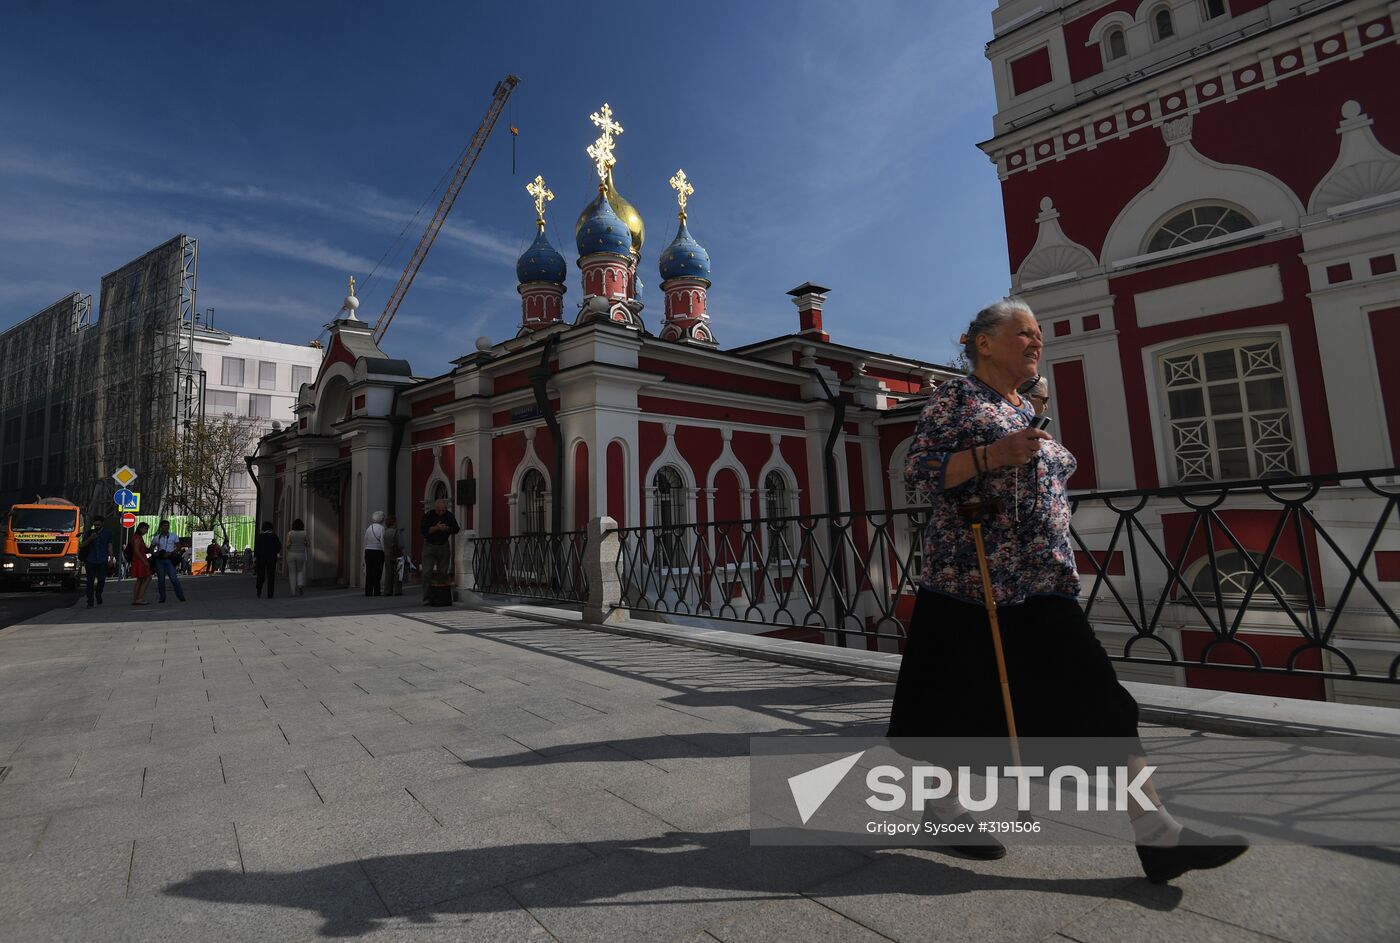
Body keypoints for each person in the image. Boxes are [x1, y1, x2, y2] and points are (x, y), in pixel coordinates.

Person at [888, 298, 1248, 884]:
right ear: (984, 342)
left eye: (1039, 336)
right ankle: (944, 808)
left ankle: (1157, 835)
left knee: (1096, 698)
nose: (1037, 342)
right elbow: (921, 471)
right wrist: (991, 454)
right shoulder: (960, 398)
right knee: (955, 705)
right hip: (971, 580)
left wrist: (1027, 424)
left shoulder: (1019, 406)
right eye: (1024, 334)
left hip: (1042, 581)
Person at [419, 497, 460, 604]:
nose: (441, 512)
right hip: (429, 545)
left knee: (443, 572)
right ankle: (426, 597)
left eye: (443, 510)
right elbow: (424, 530)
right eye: (439, 510)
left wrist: (446, 528)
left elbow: (456, 529)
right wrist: (436, 528)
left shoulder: (449, 516)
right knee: (427, 572)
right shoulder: (429, 515)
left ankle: (441, 596)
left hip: (443, 545)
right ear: (435, 508)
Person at [78, 515, 115, 608]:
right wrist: (90, 538)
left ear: (102, 524)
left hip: (102, 560)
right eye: (95, 525)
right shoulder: (89, 533)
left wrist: (111, 558)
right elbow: (81, 546)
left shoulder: (108, 533)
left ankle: (98, 594)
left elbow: (110, 545)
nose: (97, 526)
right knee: (90, 581)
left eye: (99, 524)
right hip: (90, 560)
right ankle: (90, 601)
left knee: (101, 579)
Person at [150, 520, 187, 603]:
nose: (166, 527)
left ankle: (181, 596)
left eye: (167, 526)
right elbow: (151, 549)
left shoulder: (173, 536)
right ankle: (162, 598)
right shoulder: (156, 538)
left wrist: (171, 553)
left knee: (174, 579)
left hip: (169, 559)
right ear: (161, 527)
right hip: (160, 560)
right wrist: (156, 554)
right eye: (164, 526)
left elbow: (178, 547)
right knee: (161, 580)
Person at [253, 522, 281, 598]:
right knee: (271, 576)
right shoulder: (274, 536)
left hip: (261, 558)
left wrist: (255, 557)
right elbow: (278, 547)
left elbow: (257, 548)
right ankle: (270, 593)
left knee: (261, 574)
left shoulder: (260, 537)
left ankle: (259, 589)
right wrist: (276, 553)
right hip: (271, 558)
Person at [128, 521, 152, 605]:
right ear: (140, 528)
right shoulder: (137, 538)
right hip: (140, 561)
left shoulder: (136, 537)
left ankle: (136, 598)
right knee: (147, 578)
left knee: (140, 579)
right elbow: (137, 551)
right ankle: (140, 598)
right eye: (145, 529)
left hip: (138, 560)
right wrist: (145, 561)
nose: (146, 531)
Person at [364, 510, 386, 597]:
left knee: (369, 571)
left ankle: (368, 591)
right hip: (378, 551)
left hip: (368, 551)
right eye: (383, 517)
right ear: (381, 519)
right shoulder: (381, 528)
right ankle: (376, 591)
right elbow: (382, 541)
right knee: (377, 571)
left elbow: (365, 540)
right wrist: (384, 551)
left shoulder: (369, 528)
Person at [284, 518, 308, 597]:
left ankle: (293, 592)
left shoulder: (290, 533)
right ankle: (300, 584)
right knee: (299, 571)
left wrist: (291, 545)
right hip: (301, 553)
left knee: (292, 573)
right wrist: (303, 543)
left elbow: (287, 545)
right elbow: (308, 544)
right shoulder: (304, 533)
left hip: (291, 554)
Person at [382, 513, 404, 596]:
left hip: (387, 553)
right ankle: (398, 590)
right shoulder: (396, 532)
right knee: (397, 572)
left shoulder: (385, 532)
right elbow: (401, 544)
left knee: (389, 572)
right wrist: (404, 553)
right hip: (396, 553)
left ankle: (387, 590)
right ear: (394, 522)